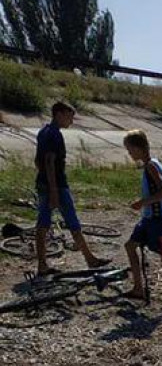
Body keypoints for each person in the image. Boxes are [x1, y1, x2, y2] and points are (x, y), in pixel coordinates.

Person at [35, 100, 110, 277]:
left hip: (44, 183)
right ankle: (90, 259)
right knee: (71, 221)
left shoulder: (43, 132)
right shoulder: (54, 134)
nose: (71, 121)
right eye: (70, 116)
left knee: (43, 224)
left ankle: (43, 265)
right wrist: (54, 190)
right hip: (57, 186)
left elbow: (38, 161)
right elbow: (49, 162)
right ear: (59, 114)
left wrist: (44, 180)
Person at [122, 129, 162, 311]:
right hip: (149, 219)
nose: (129, 154)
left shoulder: (151, 166)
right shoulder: (152, 164)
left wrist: (142, 202)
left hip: (158, 221)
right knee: (130, 246)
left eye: (130, 149)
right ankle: (138, 288)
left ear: (138, 147)